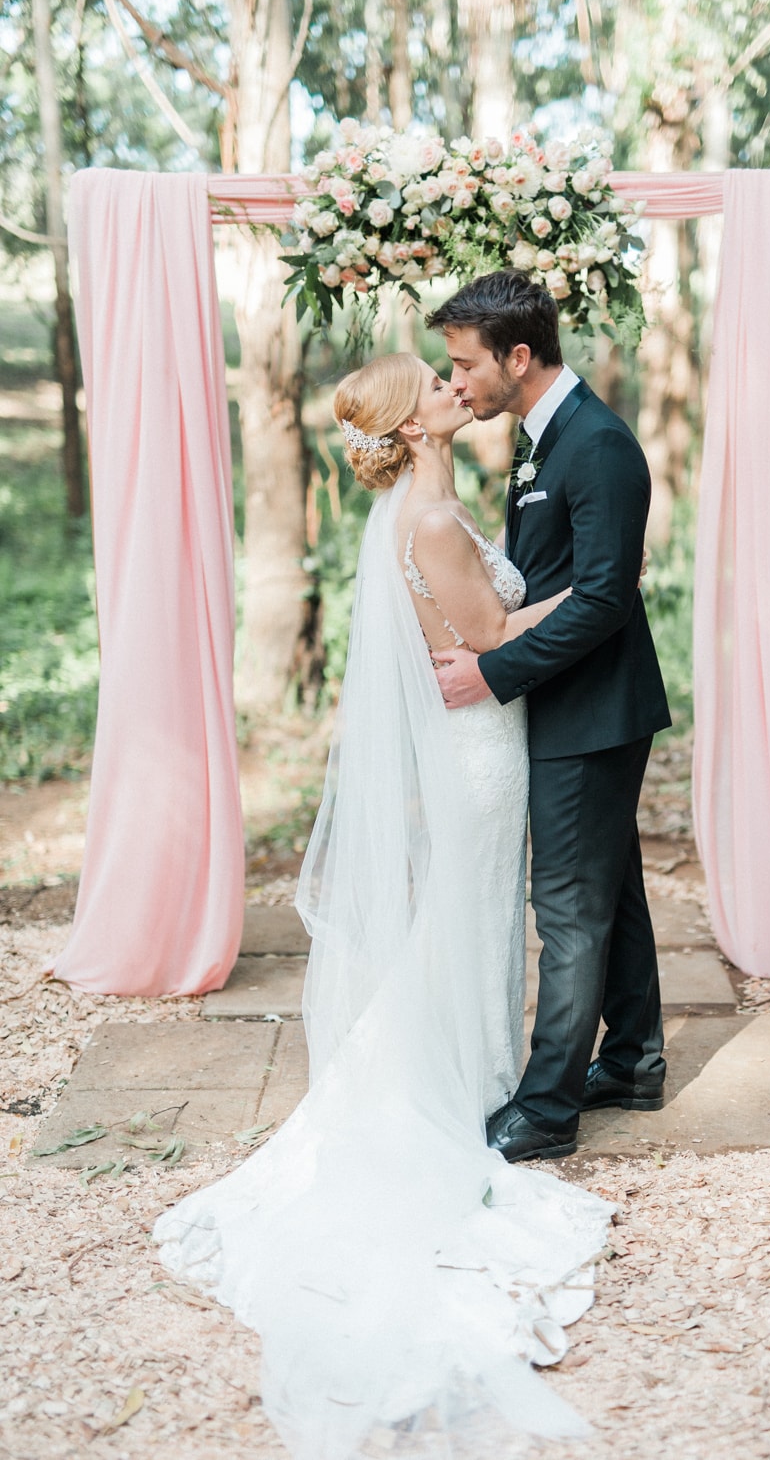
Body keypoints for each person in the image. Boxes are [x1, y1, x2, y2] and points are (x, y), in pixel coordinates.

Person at [154, 351, 610, 1460]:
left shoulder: (427, 506)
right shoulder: (434, 522)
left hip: (473, 742)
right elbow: (494, 644)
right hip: (485, 752)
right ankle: (459, 1082)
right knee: (468, 918)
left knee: (468, 918)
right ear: (412, 428)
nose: (452, 389)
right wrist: (593, 589)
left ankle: (473, 1072)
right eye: (435, 387)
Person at [426, 270, 672, 1165]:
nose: (456, 382)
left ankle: (547, 1108)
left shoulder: (597, 445)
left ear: (518, 356)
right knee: (613, 892)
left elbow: (605, 596)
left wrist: (493, 673)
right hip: (571, 701)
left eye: (464, 365)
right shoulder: (541, 439)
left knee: (566, 908)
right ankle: (634, 1059)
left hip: (595, 708)